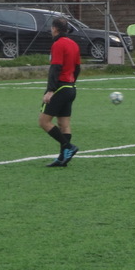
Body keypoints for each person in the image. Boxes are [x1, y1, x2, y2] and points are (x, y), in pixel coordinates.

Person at [40, 17, 81, 167]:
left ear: (55, 29)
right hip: (70, 88)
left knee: (44, 122)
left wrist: (50, 90)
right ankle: (63, 158)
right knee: (64, 124)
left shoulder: (58, 44)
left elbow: (55, 67)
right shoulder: (74, 44)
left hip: (60, 88)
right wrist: (71, 82)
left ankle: (68, 147)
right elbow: (77, 68)